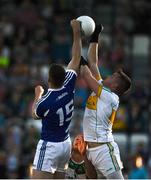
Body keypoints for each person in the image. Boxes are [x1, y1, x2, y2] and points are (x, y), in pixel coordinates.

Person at [31, 19, 82, 179]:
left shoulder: (45, 101)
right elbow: (76, 57)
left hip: (50, 146)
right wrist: (76, 31)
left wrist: (37, 95)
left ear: (49, 79)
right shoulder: (68, 85)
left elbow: (34, 114)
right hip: (65, 144)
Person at [80, 25, 132, 179]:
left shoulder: (110, 97)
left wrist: (79, 58)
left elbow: (87, 76)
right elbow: (93, 63)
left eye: (114, 75)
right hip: (91, 149)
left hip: (104, 150)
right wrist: (95, 35)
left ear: (115, 85)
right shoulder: (102, 88)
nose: (110, 75)